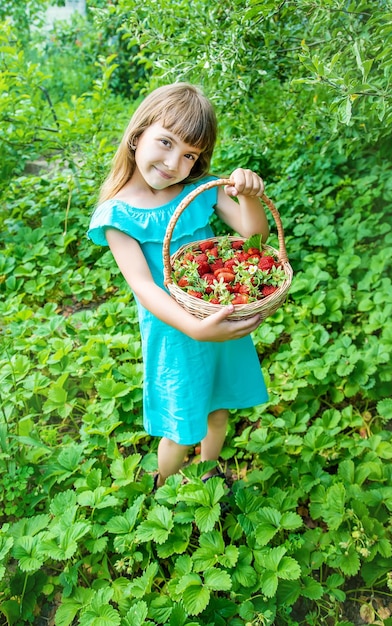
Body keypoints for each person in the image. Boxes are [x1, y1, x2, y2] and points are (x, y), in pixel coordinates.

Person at [88, 83, 269, 488]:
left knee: (218, 408)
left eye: (189, 154)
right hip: (175, 330)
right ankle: (165, 485)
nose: (174, 162)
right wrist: (193, 327)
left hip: (216, 310)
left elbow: (254, 240)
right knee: (181, 421)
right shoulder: (118, 214)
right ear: (137, 137)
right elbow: (144, 286)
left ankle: (209, 472)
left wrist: (250, 198)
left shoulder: (198, 190)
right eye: (165, 143)